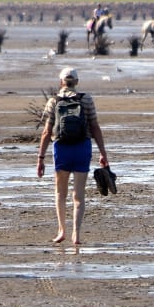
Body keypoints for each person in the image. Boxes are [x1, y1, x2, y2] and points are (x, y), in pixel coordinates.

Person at [36, 67, 109, 247]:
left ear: (61, 82)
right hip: (82, 148)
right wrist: (103, 153)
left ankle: (62, 230)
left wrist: (40, 158)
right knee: (79, 195)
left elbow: (46, 132)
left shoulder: (53, 101)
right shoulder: (86, 99)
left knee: (60, 193)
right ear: (76, 82)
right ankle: (76, 233)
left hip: (61, 148)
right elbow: (95, 127)